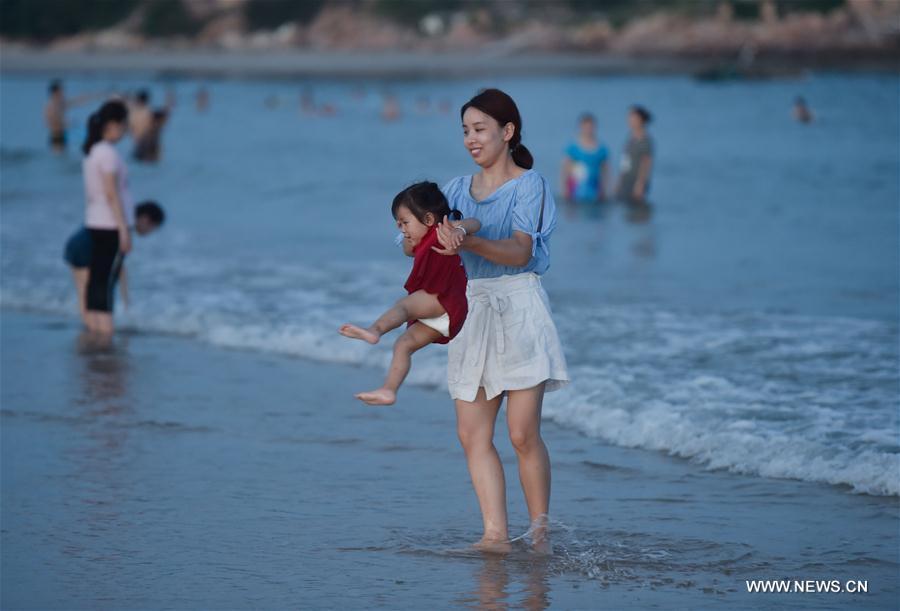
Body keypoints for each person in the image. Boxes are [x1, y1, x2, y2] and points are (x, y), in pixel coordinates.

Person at [435, 88, 569, 554]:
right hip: (470, 309)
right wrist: (423, 236)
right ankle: (495, 535)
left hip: (519, 306)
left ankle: (540, 535)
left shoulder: (530, 185)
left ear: (507, 132)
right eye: (466, 131)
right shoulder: (453, 190)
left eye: (480, 130)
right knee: (471, 432)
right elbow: (418, 241)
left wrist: (468, 241)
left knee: (521, 431)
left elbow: (520, 251)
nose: (471, 139)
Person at [339, 182, 479, 406]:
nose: (401, 228)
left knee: (403, 306)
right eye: (398, 223)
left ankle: (374, 331)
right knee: (403, 345)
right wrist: (409, 232)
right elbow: (407, 250)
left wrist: (459, 230)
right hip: (449, 314)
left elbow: (475, 222)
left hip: (444, 298)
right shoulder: (420, 240)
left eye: (405, 222)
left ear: (429, 220)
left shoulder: (442, 231)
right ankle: (389, 389)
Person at [64, 201, 165, 324]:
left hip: (75, 243)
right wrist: (126, 299)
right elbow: (117, 264)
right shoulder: (124, 229)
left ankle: (89, 329)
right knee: (94, 296)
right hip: (88, 247)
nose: (150, 233)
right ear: (145, 219)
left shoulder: (120, 217)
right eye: (152, 228)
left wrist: (125, 295)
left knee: (83, 294)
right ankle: (95, 332)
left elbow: (118, 264)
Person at [81, 100, 133, 335]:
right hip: (110, 224)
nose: (125, 130)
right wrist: (123, 228)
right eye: (124, 125)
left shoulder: (92, 150)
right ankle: (106, 331)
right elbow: (112, 193)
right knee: (107, 280)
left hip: (94, 220)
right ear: (113, 125)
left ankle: (94, 327)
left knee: (96, 277)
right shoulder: (108, 153)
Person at [560, 112, 609, 203]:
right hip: (575, 191)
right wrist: (564, 189)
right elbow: (564, 169)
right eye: (586, 127)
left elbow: (605, 171)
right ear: (580, 127)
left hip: (595, 191)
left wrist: (605, 189)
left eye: (590, 127)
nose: (588, 130)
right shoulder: (572, 148)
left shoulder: (601, 149)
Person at [615, 105, 654, 204]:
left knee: (637, 211)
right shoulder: (630, 138)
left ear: (640, 120)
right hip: (626, 180)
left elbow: (646, 162)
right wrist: (619, 180)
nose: (630, 120)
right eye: (629, 117)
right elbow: (625, 161)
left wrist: (640, 184)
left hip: (636, 181)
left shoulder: (645, 140)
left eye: (633, 117)